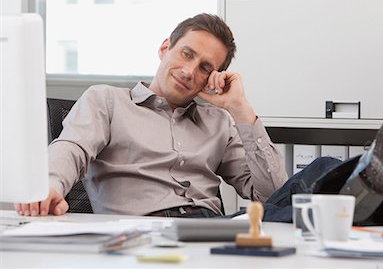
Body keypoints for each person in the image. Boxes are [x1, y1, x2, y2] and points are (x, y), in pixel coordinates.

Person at [15, 13, 288, 218]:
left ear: (212, 79)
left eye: (205, 68)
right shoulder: (106, 101)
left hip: (209, 233)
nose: (189, 71)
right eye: (186, 54)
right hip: (140, 233)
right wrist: (48, 186)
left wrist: (240, 110)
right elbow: (72, 148)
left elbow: (274, 197)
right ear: (164, 48)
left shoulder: (219, 123)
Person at [262, 84, 383, 231]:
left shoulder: (235, 120)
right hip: (241, 222)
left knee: (324, 166)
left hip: (264, 208)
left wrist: (243, 113)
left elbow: (268, 189)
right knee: (263, 213)